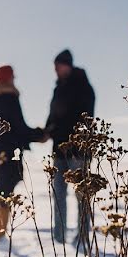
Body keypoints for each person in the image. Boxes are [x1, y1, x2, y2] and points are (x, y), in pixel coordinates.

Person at [45, 49, 96, 245]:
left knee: (81, 193)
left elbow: (84, 117)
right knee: (58, 193)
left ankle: (83, 236)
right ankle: (58, 237)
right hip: (59, 149)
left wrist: (67, 134)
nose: (56, 70)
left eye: (58, 66)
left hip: (78, 151)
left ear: (67, 65)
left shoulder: (83, 87)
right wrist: (47, 131)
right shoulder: (58, 88)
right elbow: (53, 115)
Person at [0, 65, 44, 240]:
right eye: (12, 76)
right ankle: (0, 235)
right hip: (9, 153)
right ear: (7, 78)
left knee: (1, 191)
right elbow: (17, 128)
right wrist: (39, 135)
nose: (14, 79)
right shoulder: (9, 97)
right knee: (5, 192)